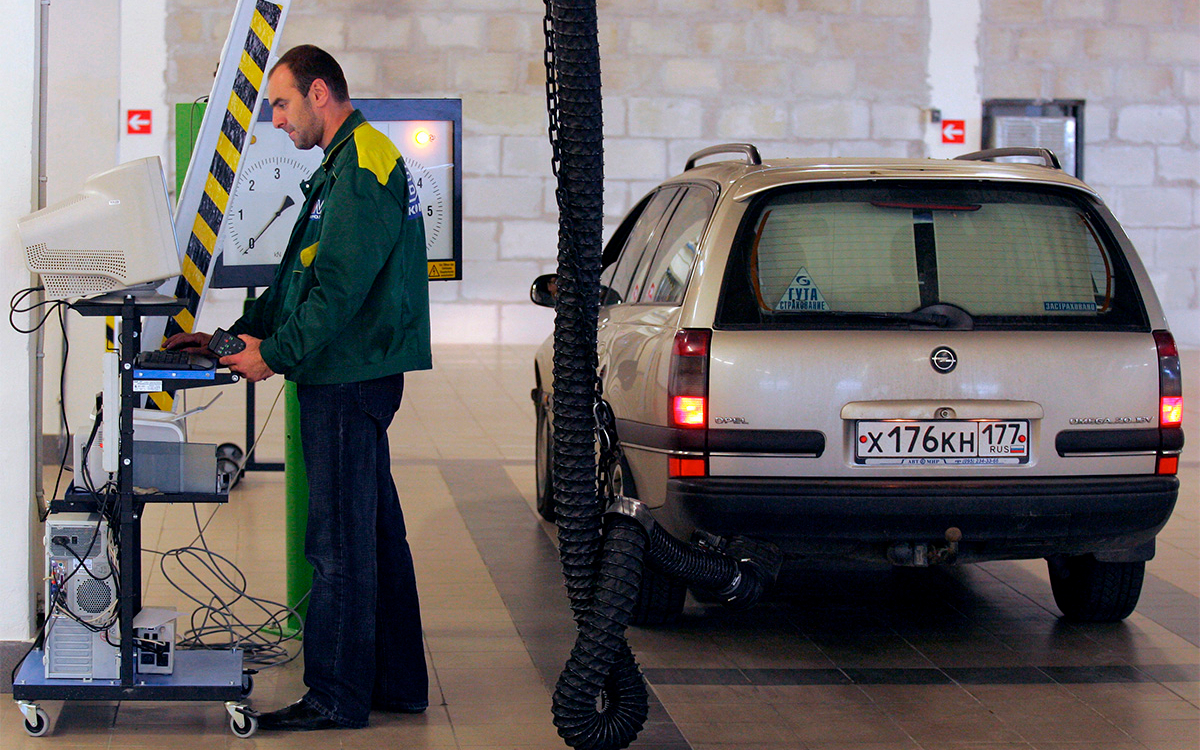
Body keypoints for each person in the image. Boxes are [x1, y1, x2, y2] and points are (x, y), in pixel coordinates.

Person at [166, 44, 431, 731]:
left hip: (347, 379)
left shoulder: (365, 167)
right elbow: (300, 279)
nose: (277, 121)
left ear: (320, 94)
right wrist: (232, 334)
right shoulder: (338, 169)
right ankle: (396, 681)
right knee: (373, 534)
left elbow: (340, 288)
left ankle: (336, 697)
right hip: (344, 372)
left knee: (337, 545)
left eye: (281, 104)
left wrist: (275, 354)